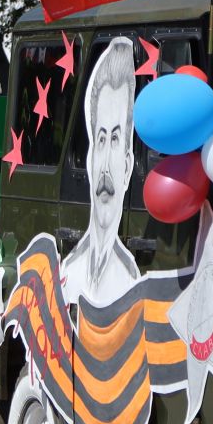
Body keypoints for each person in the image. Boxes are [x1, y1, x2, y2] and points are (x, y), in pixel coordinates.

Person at [62, 39, 142, 307]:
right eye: (101, 139)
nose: (106, 166)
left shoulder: (130, 276)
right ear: (89, 158)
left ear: (128, 165)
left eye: (117, 140)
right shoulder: (68, 268)